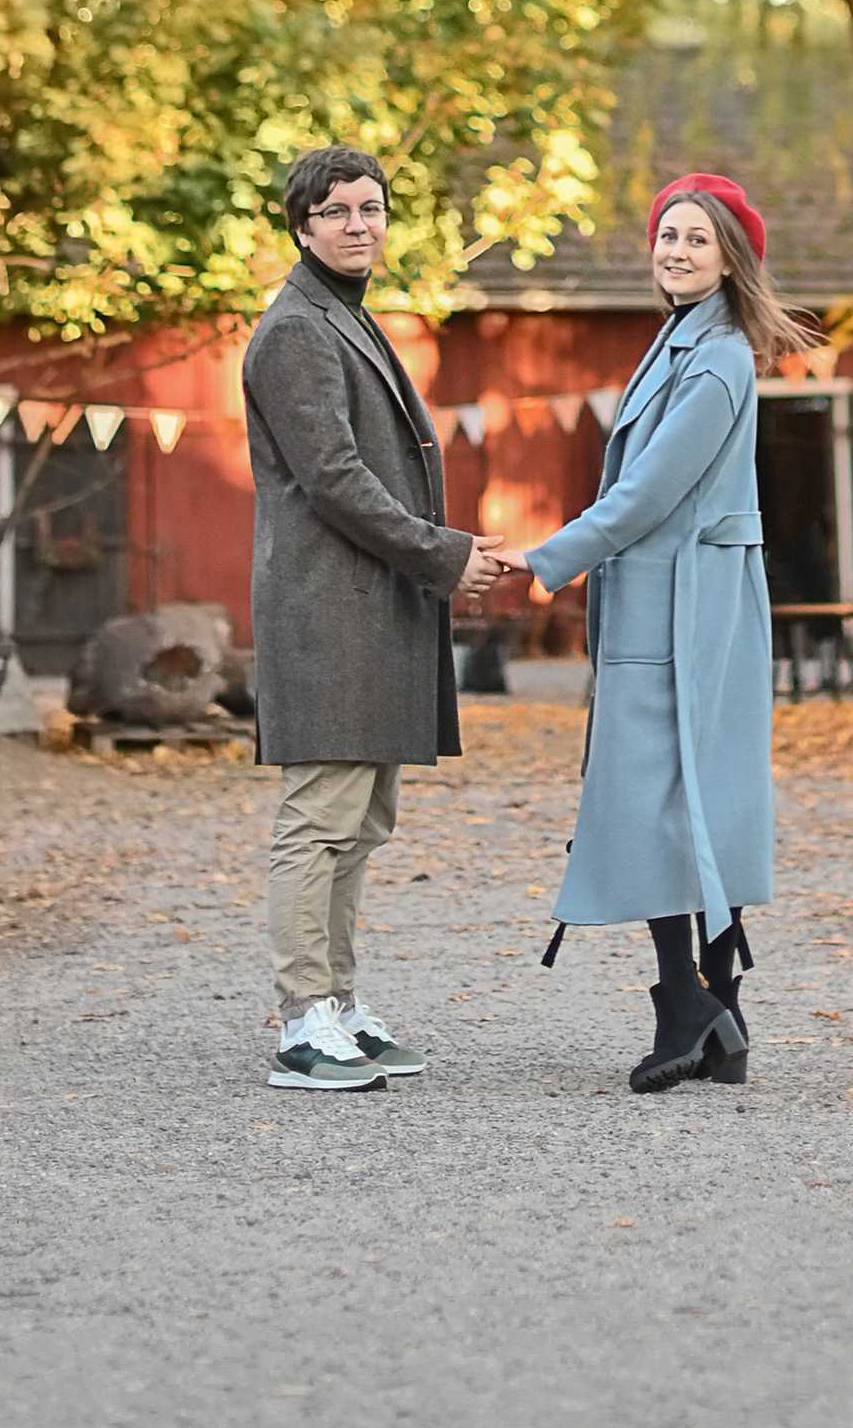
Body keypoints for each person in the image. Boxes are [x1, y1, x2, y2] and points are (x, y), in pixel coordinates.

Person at [495, 171, 814, 1094]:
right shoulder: (683, 342)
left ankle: (688, 1004)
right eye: (668, 236)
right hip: (671, 597)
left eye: (696, 239)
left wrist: (547, 558)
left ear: (731, 260)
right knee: (685, 794)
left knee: (660, 796)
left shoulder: (715, 360)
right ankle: (719, 1012)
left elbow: (647, 494)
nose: (675, 251)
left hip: (686, 607)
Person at [241, 144, 510, 1095]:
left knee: (360, 823)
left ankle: (340, 1004)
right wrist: (444, 554)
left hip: (374, 606)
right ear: (302, 226)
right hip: (327, 609)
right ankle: (301, 1023)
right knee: (319, 818)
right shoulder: (295, 330)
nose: (359, 225)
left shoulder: (346, 316)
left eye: (371, 208)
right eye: (338, 211)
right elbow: (335, 479)